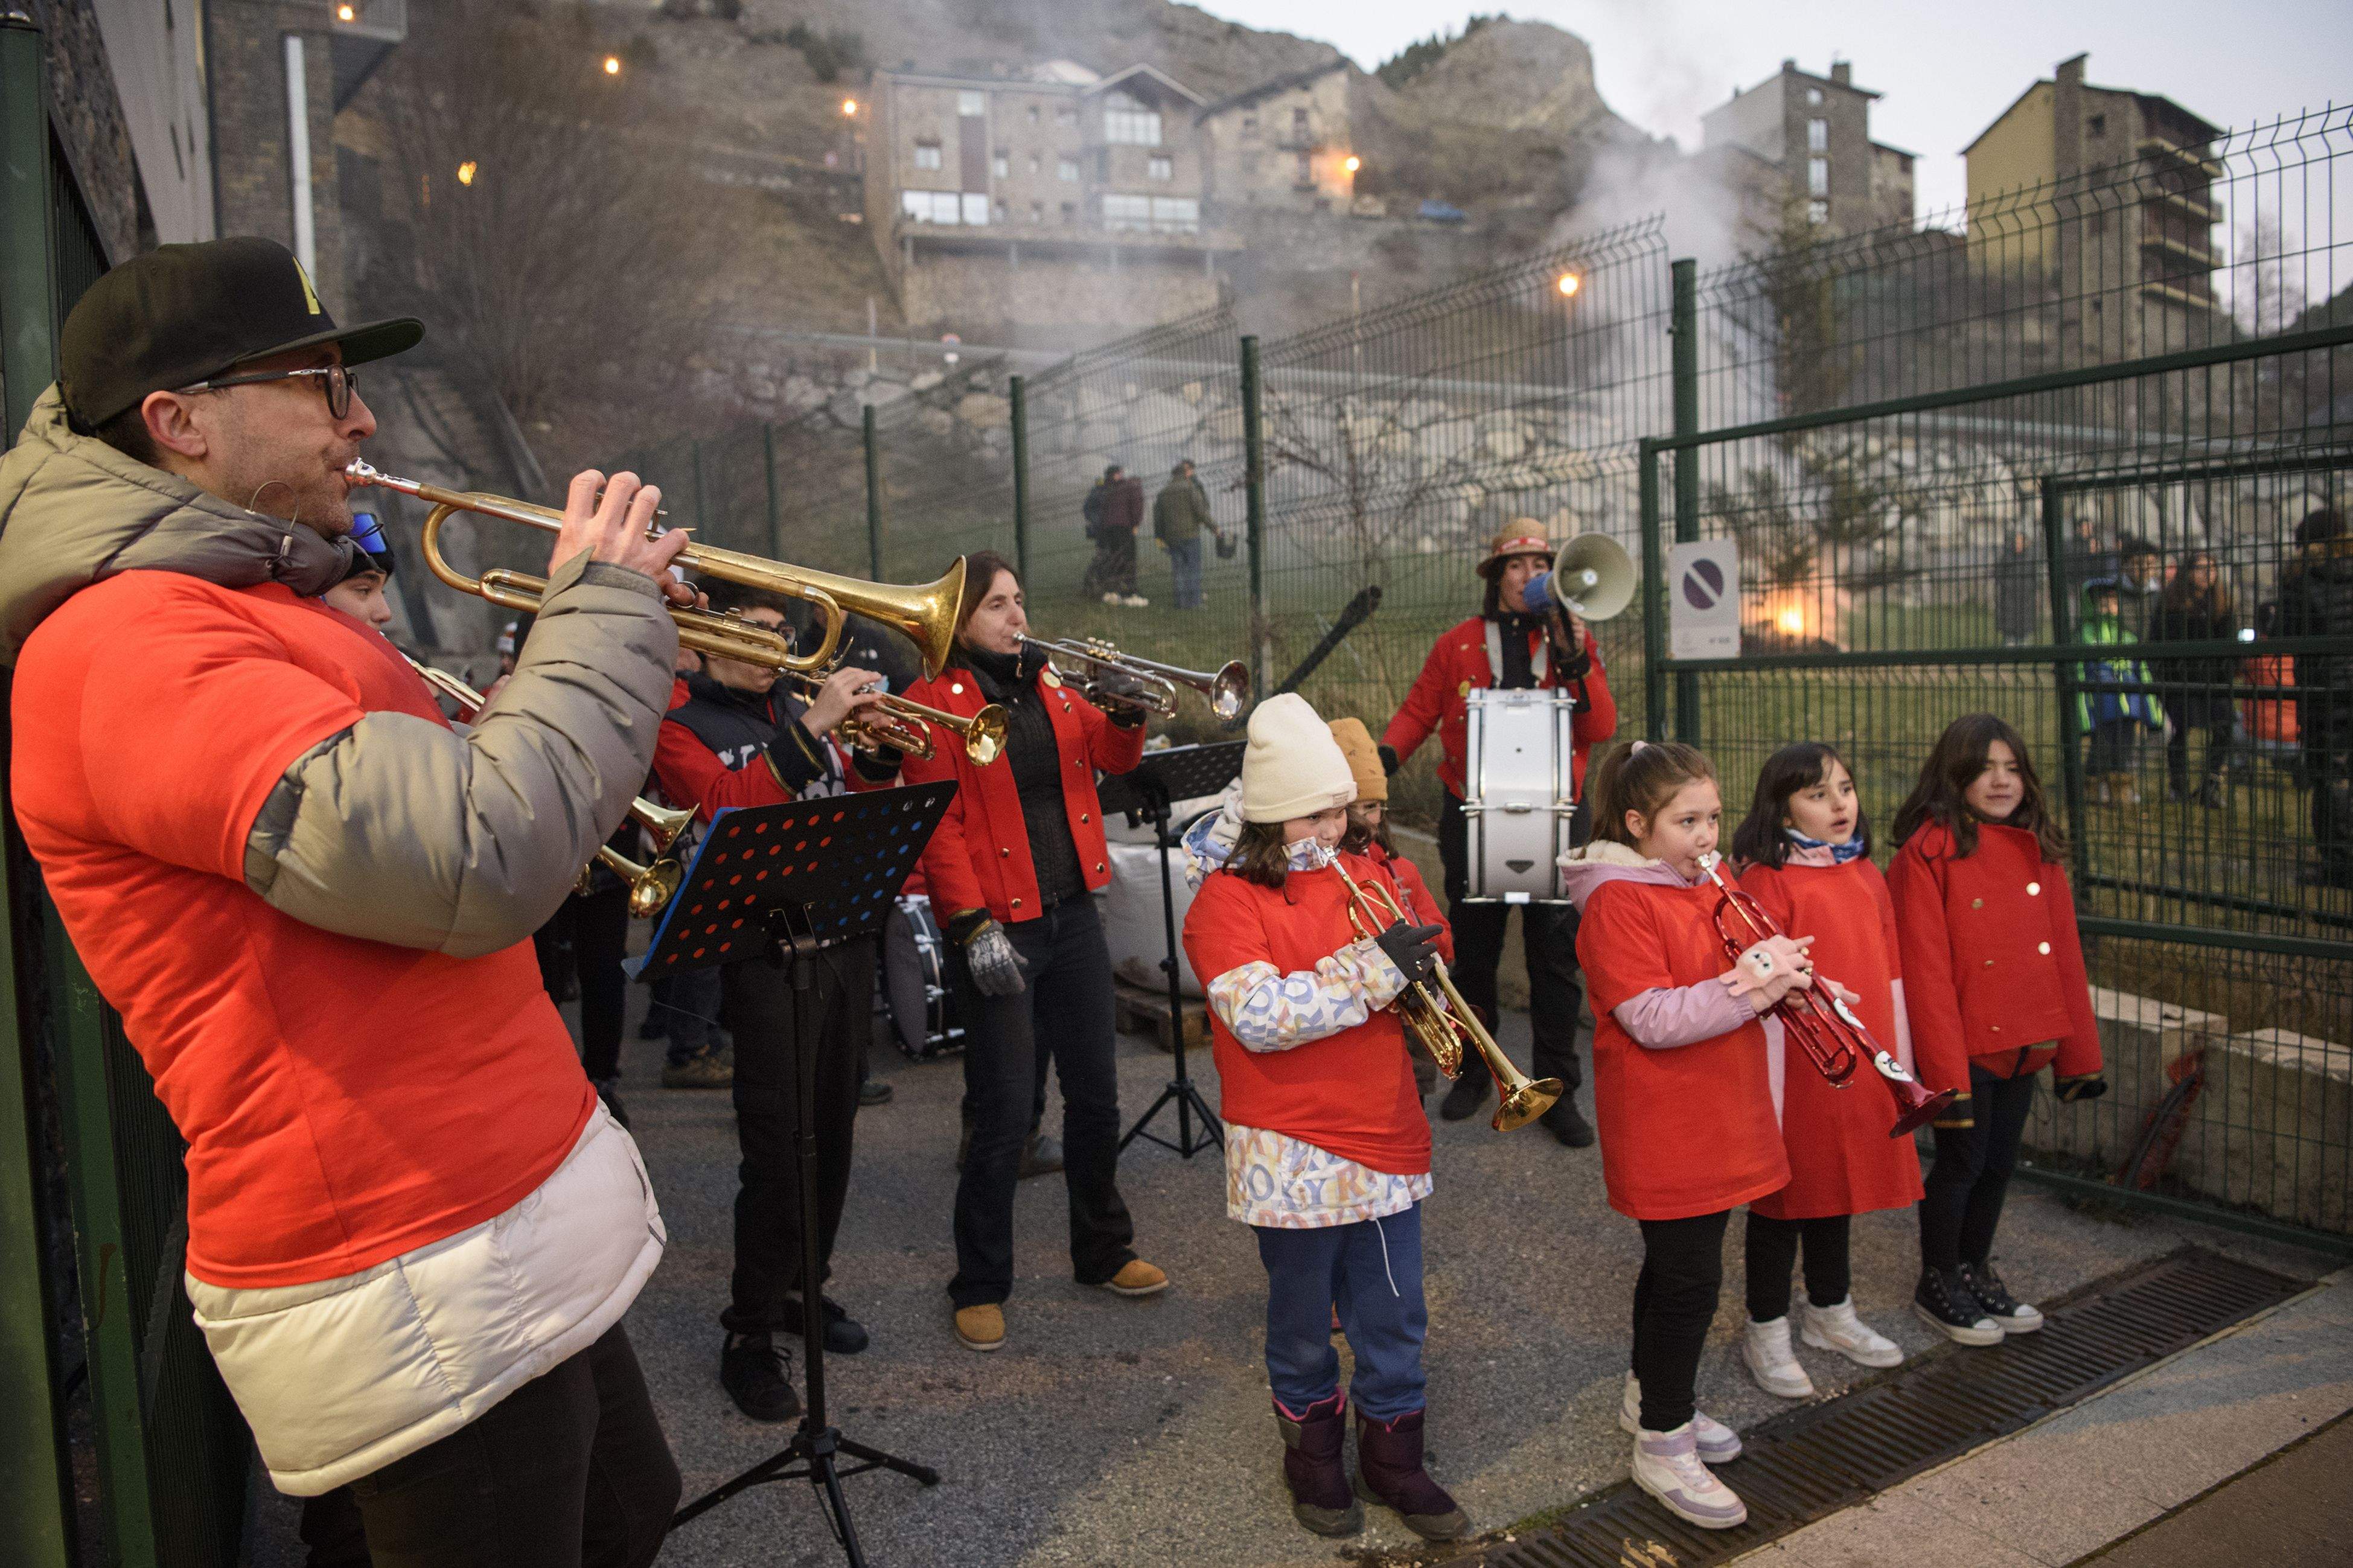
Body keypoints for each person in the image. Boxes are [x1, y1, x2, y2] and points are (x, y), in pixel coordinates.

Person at [1, 236, 690, 1564]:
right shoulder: (125, 644)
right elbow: (469, 855)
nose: (360, 418)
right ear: (179, 421)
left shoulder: (236, 599)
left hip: (486, 1215)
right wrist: (604, 612)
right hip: (405, 1251)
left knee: (626, 1511)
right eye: (320, 384)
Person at [1181, 695, 1467, 1543]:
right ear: (1273, 816)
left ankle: (1394, 1457)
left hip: (1382, 1129)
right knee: (1304, 1318)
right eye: (1318, 811)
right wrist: (1374, 972)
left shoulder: (1369, 871)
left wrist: (1423, 960)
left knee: (1393, 1310)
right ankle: (1312, 1459)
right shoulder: (1224, 902)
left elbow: (1426, 943)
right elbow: (1261, 1016)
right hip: (1290, 1146)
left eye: (1342, 807)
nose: (1338, 823)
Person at [900, 552, 1167, 1353]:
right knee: (1004, 1112)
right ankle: (979, 1280)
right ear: (957, 620)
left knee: (1097, 1096)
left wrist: (1124, 716)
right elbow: (939, 821)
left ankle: (1103, 1249)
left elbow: (1107, 760)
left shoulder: (1048, 683)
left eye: (1019, 599)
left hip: (1072, 913)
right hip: (999, 923)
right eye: (997, 605)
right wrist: (970, 924)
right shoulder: (931, 703)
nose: (1018, 616)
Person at [650, 583, 898, 1421]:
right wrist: (816, 727)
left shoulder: (799, 712)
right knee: (778, 1147)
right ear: (707, 635)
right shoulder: (682, 727)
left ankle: (804, 1286)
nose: (771, 645)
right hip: (760, 960)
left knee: (831, 1133)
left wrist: (881, 751)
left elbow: (866, 810)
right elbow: (719, 815)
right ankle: (747, 1331)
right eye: (750, 630)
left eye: (779, 632)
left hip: (841, 942)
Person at [1557, 741, 1798, 1532]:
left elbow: (1726, 979)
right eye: (1685, 820)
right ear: (1636, 824)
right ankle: (1663, 1442)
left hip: (1717, 1114)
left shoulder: (1699, 886)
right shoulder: (1622, 899)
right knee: (1690, 1284)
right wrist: (1750, 985)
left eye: (1713, 817)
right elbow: (1651, 1018)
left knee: (1673, 1273)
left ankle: (1648, 1397)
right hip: (1669, 1123)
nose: (1706, 835)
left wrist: (1777, 972)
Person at [1381, 519, 1618, 1146]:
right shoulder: (1458, 643)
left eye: (1541, 563)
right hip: (1472, 811)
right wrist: (1380, 761)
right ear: (1496, 578)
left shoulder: (1572, 640)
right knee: (1475, 954)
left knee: (1555, 961)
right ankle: (1475, 1076)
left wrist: (1574, 655)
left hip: (1555, 816)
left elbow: (1600, 727)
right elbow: (1417, 711)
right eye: (1517, 565)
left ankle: (1557, 1088)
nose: (1530, 575)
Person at [1888, 715, 2106, 1348]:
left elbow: (2064, 954)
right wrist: (1945, 1070)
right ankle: (1937, 1278)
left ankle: (1974, 1268)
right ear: (1954, 775)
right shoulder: (1925, 854)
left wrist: (2076, 1055)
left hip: (2024, 1041)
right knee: (1962, 1164)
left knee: (2000, 1165)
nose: (2001, 780)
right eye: (1985, 768)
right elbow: (1924, 973)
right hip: (1964, 1044)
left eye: (2012, 768)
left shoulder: (2037, 845)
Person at [1728, 744, 1920, 1399]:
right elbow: (1752, 975)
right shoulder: (1766, 880)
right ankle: (1766, 1328)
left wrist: (1899, 1066)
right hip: (1794, 1062)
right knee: (1786, 1199)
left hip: (1863, 1058)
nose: (1839, 804)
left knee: (1842, 1184)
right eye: (1817, 794)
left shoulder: (1865, 872)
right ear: (1779, 807)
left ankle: (1829, 1312)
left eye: (1845, 788)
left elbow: (1889, 971)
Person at [1328, 716, 1451, 1098]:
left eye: (1379, 807)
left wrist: (1432, 945)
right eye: (1363, 807)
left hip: (1413, 1013)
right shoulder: (1334, 874)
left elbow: (1441, 932)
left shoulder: (1402, 869)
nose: (1374, 819)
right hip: (1363, 1017)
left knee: (1412, 1100)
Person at [2280, 507, 2352, 887]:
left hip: (2326, 693)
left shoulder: (2304, 582)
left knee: (2331, 778)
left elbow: (2284, 635)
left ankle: (2339, 864)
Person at [2150, 550, 2240, 808]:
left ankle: (2210, 786)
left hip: (2215, 681)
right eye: (2201, 568)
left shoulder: (2222, 605)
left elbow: (2231, 645)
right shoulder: (2170, 604)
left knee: (2224, 731)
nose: (2207, 573)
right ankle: (2178, 787)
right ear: (2188, 572)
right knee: (2179, 733)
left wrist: (2228, 671)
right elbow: (2157, 642)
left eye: (2212, 568)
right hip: (2180, 680)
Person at [2076, 578, 2165, 806]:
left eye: (2114, 601)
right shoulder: (2084, 636)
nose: (2109, 605)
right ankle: (2093, 787)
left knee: (2125, 746)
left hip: (2130, 704)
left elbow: (2142, 671)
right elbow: (2079, 673)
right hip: (2102, 704)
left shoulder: (2128, 636)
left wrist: (2152, 711)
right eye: (2103, 601)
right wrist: (2083, 714)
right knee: (2101, 746)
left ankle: (2120, 789)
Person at [1152, 457, 1221, 611]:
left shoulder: (1164, 492)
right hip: (1190, 535)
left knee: (1179, 570)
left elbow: (1158, 518)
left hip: (1172, 537)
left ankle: (1181, 603)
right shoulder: (1190, 489)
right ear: (1186, 473)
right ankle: (1194, 602)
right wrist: (1215, 528)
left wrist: (1160, 537)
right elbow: (1201, 511)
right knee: (1193, 569)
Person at [1081, 463, 1149, 607]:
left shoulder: (1105, 488)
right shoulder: (1128, 487)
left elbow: (1091, 508)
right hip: (1122, 529)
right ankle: (1129, 591)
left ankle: (1110, 590)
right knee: (1127, 559)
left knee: (1109, 560)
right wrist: (1135, 524)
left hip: (1106, 531)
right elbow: (1136, 508)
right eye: (1119, 473)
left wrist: (1098, 523)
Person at [1993, 527, 2040, 645]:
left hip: (2026, 594)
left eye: (2020, 541)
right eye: (2016, 541)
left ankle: (2023, 640)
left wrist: (2031, 587)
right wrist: (2006, 584)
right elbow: (1998, 572)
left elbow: (2036, 576)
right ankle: (2009, 639)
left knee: (2025, 616)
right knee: (2009, 616)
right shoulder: (2007, 556)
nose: (2018, 544)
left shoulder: (2031, 556)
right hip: (2009, 594)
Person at [2115, 535, 2165, 640]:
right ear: (2124, 565)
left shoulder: (2161, 594)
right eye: (2138, 563)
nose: (2145, 568)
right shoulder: (2112, 592)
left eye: (2150, 563)